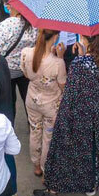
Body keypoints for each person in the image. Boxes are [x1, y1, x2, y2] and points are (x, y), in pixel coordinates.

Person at [44, 34, 99, 196]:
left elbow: (71, 91)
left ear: (84, 40)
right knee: (96, 146)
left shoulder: (78, 63)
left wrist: (65, 58)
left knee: (77, 146)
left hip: (81, 111)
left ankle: (69, 182)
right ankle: (93, 183)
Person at [21, 28, 66, 178]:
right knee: (48, 136)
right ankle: (46, 167)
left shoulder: (26, 53)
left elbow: (26, 74)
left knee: (35, 131)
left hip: (32, 99)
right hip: (51, 103)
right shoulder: (58, 63)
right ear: (55, 38)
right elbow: (63, 85)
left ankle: (36, 165)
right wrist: (60, 57)